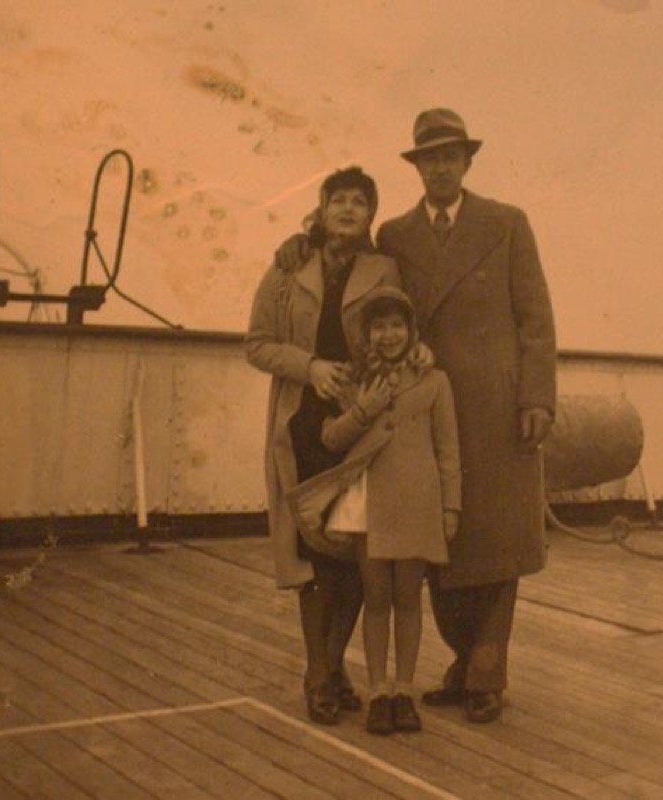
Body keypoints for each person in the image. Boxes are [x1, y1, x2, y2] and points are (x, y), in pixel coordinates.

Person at [276, 108, 557, 723]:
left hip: (496, 406)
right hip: (417, 406)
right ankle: (464, 660)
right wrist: (301, 240)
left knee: (497, 539)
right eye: (429, 157)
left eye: (450, 156)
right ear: (417, 166)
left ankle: (487, 667)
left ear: (467, 161)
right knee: (439, 544)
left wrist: (537, 397)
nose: (440, 167)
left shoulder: (508, 224)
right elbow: (354, 263)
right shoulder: (398, 234)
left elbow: (536, 318)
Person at [246, 166, 401, 725]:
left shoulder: (386, 269)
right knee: (312, 550)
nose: (349, 209)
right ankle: (322, 673)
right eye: (339, 199)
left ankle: (327, 668)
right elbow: (257, 343)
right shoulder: (288, 268)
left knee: (358, 549)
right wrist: (309, 367)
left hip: (360, 426)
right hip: (303, 424)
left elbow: (399, 332)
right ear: (323, 207)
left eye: (361, 201)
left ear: (370, 216)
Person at [318, 287, 461, 734]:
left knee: (408, 600)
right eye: (378, 326)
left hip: (419, 502)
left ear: (411, 329)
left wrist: (451, 507)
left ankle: (404, 691)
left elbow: (448, 448)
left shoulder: (435, 381)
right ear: (366, 334)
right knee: (376, 600)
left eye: (397, 325)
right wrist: (365, 409)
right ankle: (378, 690)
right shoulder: (356, 381)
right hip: (371, 505)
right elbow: (332, 439)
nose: (388, 334)